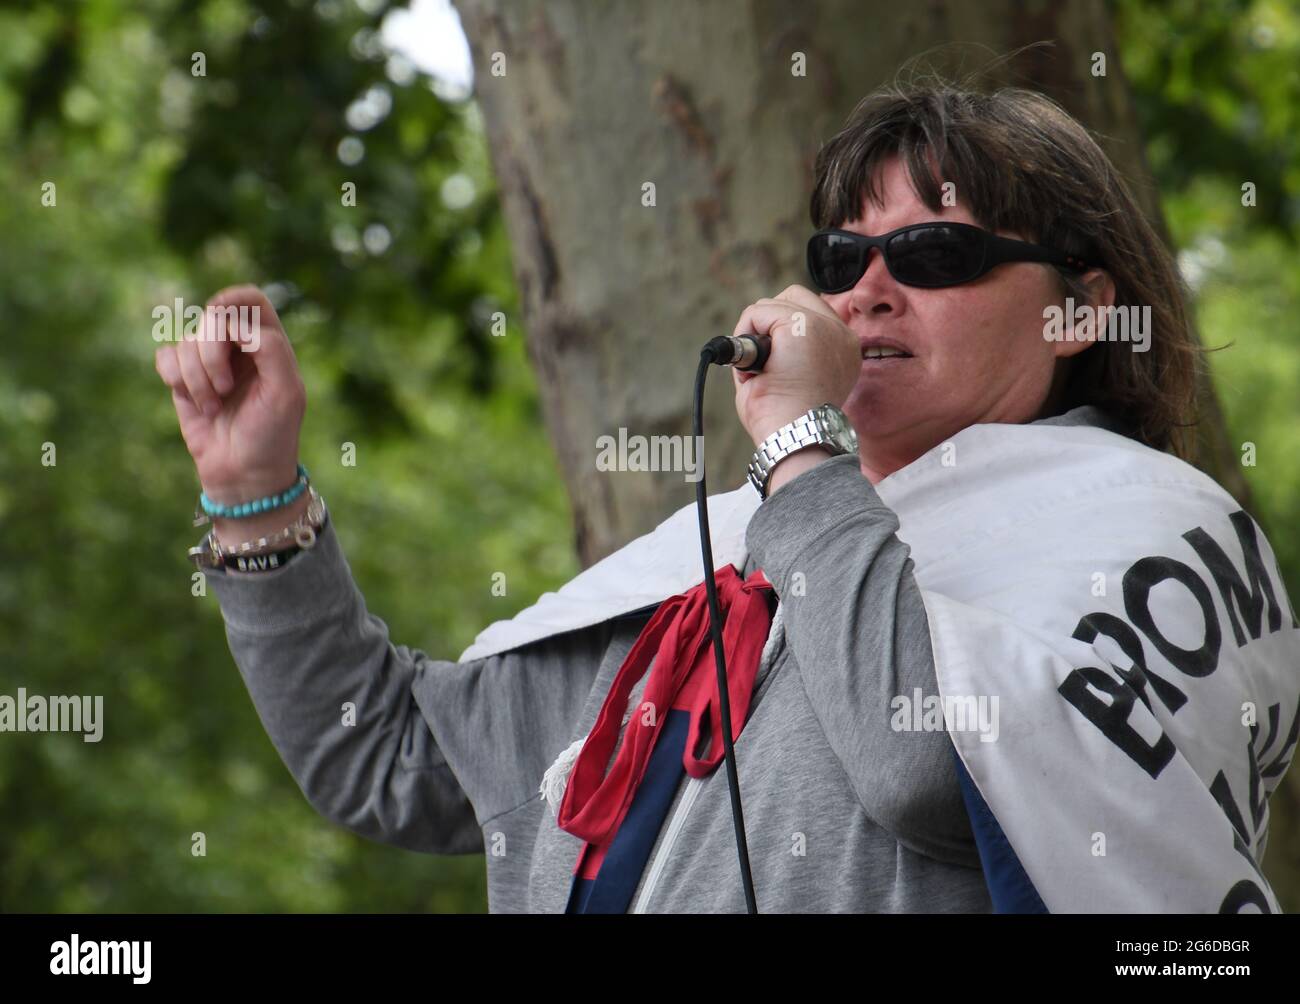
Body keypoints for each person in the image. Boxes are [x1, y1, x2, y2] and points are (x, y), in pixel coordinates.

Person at [154, 80, 1299, 913]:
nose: (870, 293)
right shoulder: (721, 560)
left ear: (1078, 309)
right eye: (842, 257)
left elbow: (925, 772)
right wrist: (256, 492)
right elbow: (388, 755)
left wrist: (802, 451)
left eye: (938, 254)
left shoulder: (1144, 526)